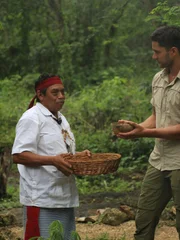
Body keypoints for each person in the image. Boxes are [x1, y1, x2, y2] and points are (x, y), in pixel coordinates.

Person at [115, 25, 180, 240]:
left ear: (173, 51)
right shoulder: (158, 79)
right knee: (143, 221)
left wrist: (144, 133)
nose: (153, 57)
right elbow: (156, 117)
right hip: (159, 160)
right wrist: (138, 127)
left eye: (157, 52)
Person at [12, 73, 91, 240]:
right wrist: (52, 161)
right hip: (41, 199)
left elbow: (58, 152)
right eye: (55, 93)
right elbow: (19, 155)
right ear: (40, 95)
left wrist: (77, 156)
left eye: (63, 92)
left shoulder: (61, 118)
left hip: (63, 195)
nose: (61, 96)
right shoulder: (31, 118)